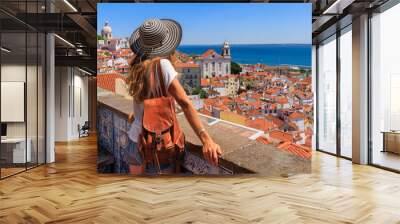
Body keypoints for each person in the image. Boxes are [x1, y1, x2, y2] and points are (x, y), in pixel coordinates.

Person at [125, 18, 222, 174]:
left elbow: (142, 99)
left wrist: (137, 116)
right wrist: (206, 139)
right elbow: (185, 103)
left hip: (134, 141)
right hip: (157, 146)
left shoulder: (137, 64)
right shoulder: (162, 65)